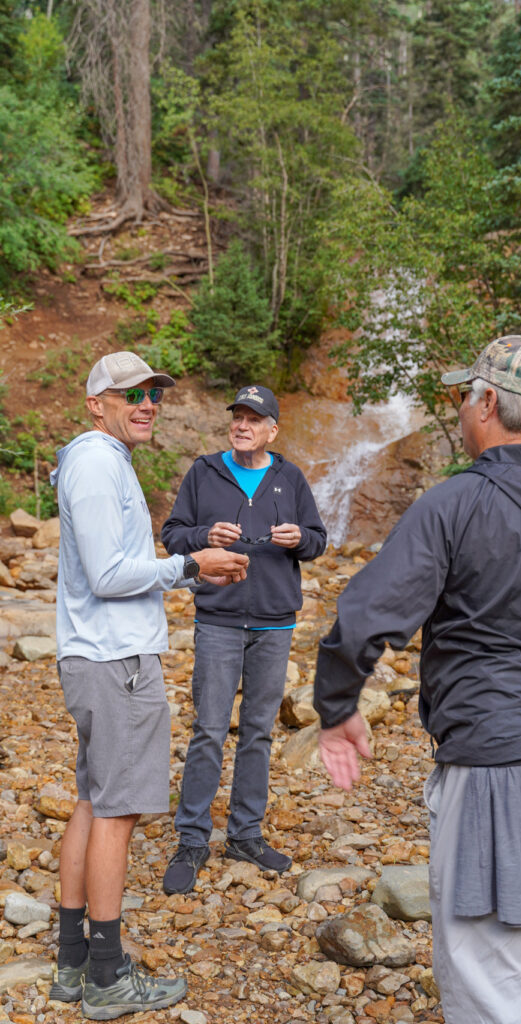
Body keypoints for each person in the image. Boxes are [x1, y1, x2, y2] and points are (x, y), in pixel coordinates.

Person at [313, 336, 521, 1024]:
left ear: (488, 403)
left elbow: (366, 616)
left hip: (497, 763)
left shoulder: (455, 505)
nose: (463, 407)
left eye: (465, 394)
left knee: (489, 974)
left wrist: (337, 705)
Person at [49, 351, 249, 1020]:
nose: (147, 404)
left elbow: (120, 565)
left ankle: (72, 963)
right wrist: (189, 561)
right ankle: (106, 976)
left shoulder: (99, 460)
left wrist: (191, 573)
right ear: (96, 402)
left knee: (92, 799)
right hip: (118, 662)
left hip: (96, 656)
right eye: (131, 393)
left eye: (155, 395)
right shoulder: (99, 463)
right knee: (117, 810)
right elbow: (109, 575)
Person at [160, 384, 326, 894]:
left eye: (254, 419)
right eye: (238, 416)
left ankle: (245, 834)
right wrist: (204, 536)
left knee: (258, 731)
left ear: (272, 429)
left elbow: (318, 541)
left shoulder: (289, 477)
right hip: (218, 619)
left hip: (276, 622)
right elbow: (171, 534)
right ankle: (192, 839)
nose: (242, 424)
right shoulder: (204, 472)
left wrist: (301, 539)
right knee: (209, 729)